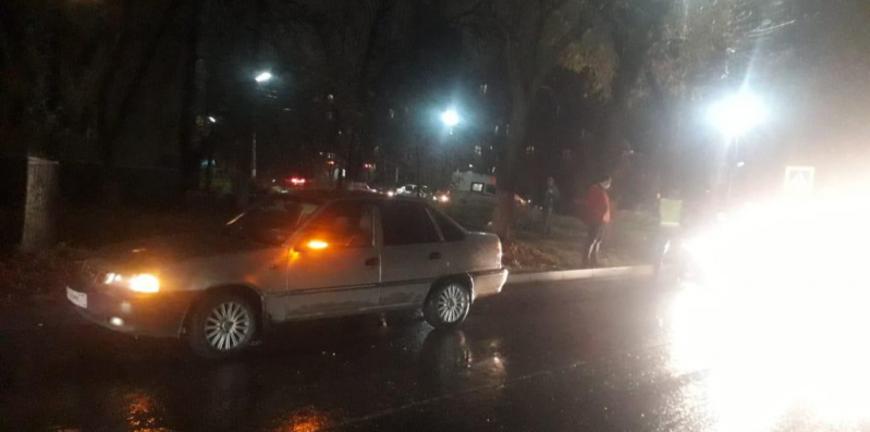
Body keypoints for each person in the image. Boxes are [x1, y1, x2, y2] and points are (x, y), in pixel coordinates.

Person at [582, 176, 612, 267]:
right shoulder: (595, 189)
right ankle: (586, 261)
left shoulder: (602, 191)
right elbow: (592, 204)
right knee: (592, 240)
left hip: (602, 220)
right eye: (609, 182)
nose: (609, 185)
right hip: (596, 220)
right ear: (605, 181)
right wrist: (598, 215)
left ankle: (594, 260)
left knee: (598, 240)